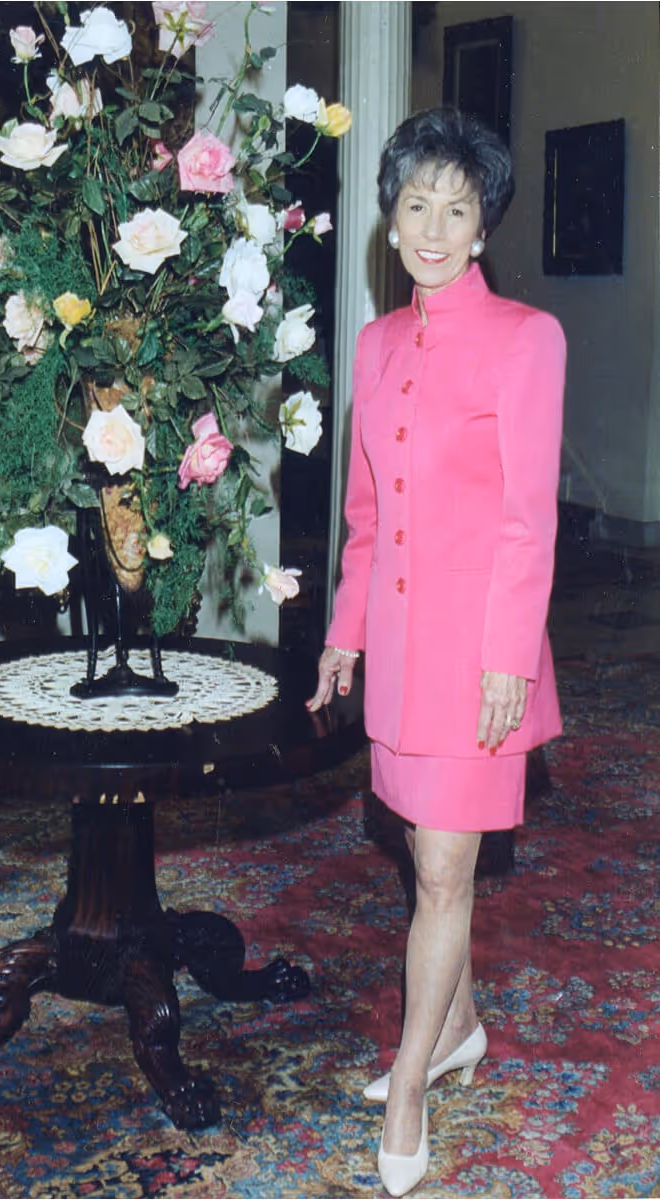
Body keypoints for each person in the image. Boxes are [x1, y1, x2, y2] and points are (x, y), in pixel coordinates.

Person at [307, 107, 566, 1197]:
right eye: (415, 202)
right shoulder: (372, 344)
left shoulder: (523, 337)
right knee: (422, 859)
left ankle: (410, 1079)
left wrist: (507, 656)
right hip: (401, 651)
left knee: (448, 867)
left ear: (480, 224)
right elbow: (364, 518)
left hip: (478, 656)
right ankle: (456, 1025)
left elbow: (525, 515)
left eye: (455, 208)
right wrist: (341, 635)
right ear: (389, 212)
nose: (431, 226)